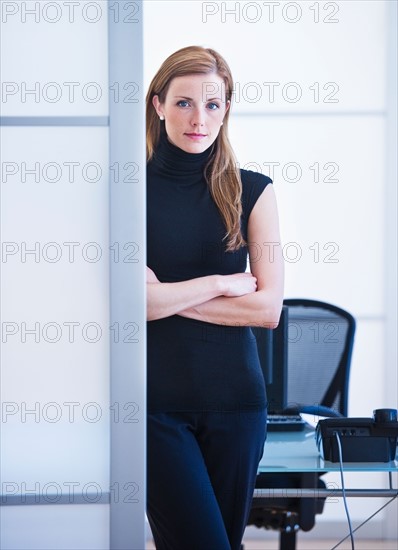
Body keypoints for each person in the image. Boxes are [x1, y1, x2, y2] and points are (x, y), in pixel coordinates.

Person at [146, 45, 284, 550]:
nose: (198, 118)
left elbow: (268, 310)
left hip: (236, 405)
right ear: (158, 104)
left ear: (226, 109)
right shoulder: (125, 190)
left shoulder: (252, 191)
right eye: (183, 103)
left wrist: (165, 296)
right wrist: (221, 283)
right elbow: (130, 306)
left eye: (212, 104)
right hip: (154, 407)